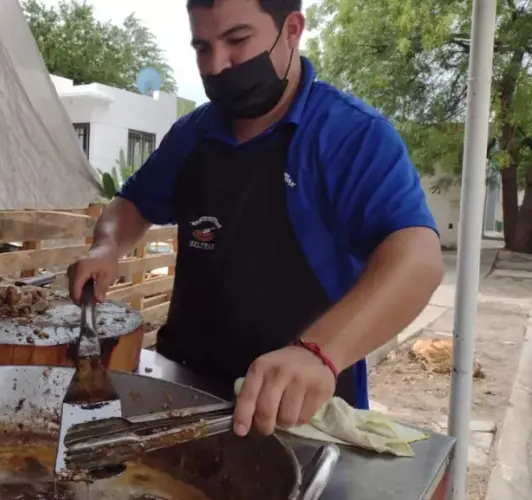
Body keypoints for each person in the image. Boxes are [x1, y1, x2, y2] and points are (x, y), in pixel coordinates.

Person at [67, 0, 443, 438]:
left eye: (237, 40)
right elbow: (131, 204)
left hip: (298, 416)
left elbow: (418, 258)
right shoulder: (191, 135)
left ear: (291, 30)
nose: (218, 65)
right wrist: (107, 247)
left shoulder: (351, 135)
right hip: (181, 396)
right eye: (202, 47)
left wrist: (318, 352)